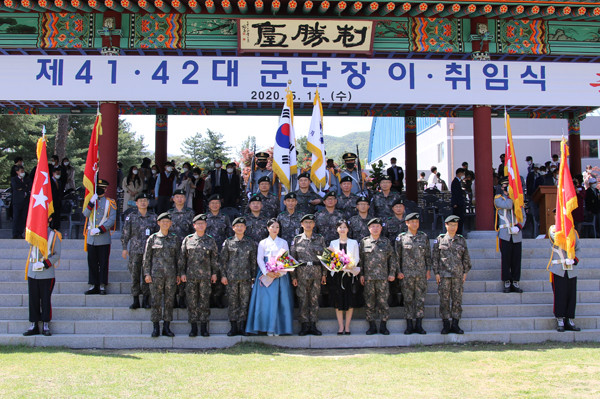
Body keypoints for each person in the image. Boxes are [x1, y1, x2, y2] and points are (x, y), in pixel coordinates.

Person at [246, 219, 294, 336]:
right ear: (268, 228)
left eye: (277, 227)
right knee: (266, 302)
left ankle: (278, 328)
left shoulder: (283, 242)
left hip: (280, 275)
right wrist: (267, 272)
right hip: (266, 273)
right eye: (272, 227)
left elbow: (286, 258)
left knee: (280, 301)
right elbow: (260, 259)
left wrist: (280, 271)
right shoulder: (262, 242)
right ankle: (265, 327)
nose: (275, 229)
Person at [179, 214, 218, 337]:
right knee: (192, 302)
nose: (200, 226)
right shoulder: (188, 239)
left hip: (206, 277)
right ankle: (194, 327)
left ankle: (204, 327)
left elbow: (214, 259)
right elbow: (182, 258)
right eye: (198, 224)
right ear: (194, 226)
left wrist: (214, 273)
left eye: (203, 223)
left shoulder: (210, 240)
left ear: (206, 225)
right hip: (191, 276)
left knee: (204, 302)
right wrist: (182, 273)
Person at [432, 215, 472, 335]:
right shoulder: (440, 240)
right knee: (444, 300)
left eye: (455, 225)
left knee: (457, 300)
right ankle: (445, 324)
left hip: (458, 275)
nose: (453, 227)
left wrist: (465, 272)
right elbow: (435, 258)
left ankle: (455, 324)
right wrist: (436, 273)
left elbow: (466, 257)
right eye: (451, 225)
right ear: (446, 225)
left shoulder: (461, 240)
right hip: (444, 275)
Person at [143, 212, 180, 338]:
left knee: (169, 301)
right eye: (163, 221)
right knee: (156, 301)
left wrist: (179, 274)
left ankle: (166, 327)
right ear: (158, 223)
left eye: (167, 222)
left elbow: (178, 258)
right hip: (155, 275)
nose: (165, 224)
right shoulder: (152, 238)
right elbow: (146, 258)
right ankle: (155, 327)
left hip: (171, 275)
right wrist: (147, 273)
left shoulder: (174, 238)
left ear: (170, 224)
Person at [290, 214, 327, 336]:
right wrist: (294, 277)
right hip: (302, 272)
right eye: (306, 222)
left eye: (310, 222)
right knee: (303, 298)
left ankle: (313, 325)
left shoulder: (320, 239)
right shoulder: (296, 239)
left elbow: (324, 258)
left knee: (314, 299)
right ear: (301, 224)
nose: (308, 224)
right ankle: (304, 325)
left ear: (314, 224)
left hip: (316, 271)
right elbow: (293, 259)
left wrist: (324, 274)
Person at [360, 218, 398, 335]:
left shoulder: (386, 242)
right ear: (369, 229)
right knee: (369, 302)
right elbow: (360, 260)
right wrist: (361, 274)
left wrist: (392, 273)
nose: (375, 229)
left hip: (383, 278)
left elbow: (392, 259)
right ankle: (371, 326)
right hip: (369, 278)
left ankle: (383, 326)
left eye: (377, 226)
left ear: (381, 228)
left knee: (383, 302)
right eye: (373, 226)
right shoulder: (364, 242)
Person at [396, 212, 432, 335]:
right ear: (407, 223)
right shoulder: (401, 237)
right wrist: (399, 271)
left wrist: (428, 270)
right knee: (408, 299)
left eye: (416, 222)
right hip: (406, 274)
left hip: (421, 274)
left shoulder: (424, 237)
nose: (414, 224)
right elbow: (397, 257)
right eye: (412, 222)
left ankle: (419, 325)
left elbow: (428, 255)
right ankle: (409, 325)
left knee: (420, 300)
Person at [221, 217, 257, 336]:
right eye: (237, 226)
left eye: (242, 226)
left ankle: (242, 327)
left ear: (245, 228)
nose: (240, 228)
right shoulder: (228, 242)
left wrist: (253, 277)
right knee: (233, 303)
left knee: (244, 302)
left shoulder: (250, 243)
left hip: (246, 278)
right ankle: (233, 327)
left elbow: (253, 261)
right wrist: (223, 276)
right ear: (233, 228)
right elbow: (223, 261)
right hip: (231, 278)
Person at [23, 223, 61, 337]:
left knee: (45, 299)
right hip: (33, 272)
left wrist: (44, 264)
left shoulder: (54, 235)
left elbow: (57, 255)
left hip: (46, 273)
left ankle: (45, 324)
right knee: (33, 299)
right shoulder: (32, 232)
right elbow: (29, 242)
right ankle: (34, 324)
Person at [121, 193, 157, 309]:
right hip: (135, 251)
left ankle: (146, 299)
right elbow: (126, 233)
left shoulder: (153, 217)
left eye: (145, 200)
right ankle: (135, 299)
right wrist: (124, 248)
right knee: (135, 275)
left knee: (147, 275)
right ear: (136, 203)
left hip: (149, 252)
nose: (143, 202)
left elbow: (157, 235)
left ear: (148, 203)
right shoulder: (131, 216)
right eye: (140, 201)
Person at [83, 179, 117, 295]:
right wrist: (91, 203)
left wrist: (101, 229)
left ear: (106, 189)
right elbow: (85, 215)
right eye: (99, 187)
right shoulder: (91, 200)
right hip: (92, 238)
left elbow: (112, 219)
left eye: (103, 187)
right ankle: (93, 285)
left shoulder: (110, 202)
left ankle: (102, 285)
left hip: (103, 237)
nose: (101, 189)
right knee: (92, 262)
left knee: (103, 262)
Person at [328, 220, 360, 335]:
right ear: (337, 229)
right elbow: (330, 259)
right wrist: (338, 266)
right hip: (337, 275)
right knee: (338, 301)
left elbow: (356, 258)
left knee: (349, 300)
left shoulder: (354, 242)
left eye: (344, 227)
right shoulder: (332, 243)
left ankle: (347, 327)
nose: (342, 229)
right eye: (340, 227)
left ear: (348, 229)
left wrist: (349, 265)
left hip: (349, 274)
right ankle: (340, 326)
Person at [494, 177, 526, 293]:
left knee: (516, 259)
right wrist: (513, 197)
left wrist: (519, 226)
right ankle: (507, 281)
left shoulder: (518, 200)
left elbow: (523, 215)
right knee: (506, 259)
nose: (506, 188)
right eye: (505, 186)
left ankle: (516, 281)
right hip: (505, 233)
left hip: (516, 233)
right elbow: (508, 205)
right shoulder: (498, 198)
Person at [548, 224, 581, 332]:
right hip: (559, 268)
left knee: (571, 295)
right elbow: (558, 239)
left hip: (571, 268)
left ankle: (569, 320)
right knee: (560, 294)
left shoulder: (573, 232)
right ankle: (560, 320)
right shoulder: (554, 229)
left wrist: (574, 259)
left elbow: (578, 248)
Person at [168, 189, 195, 309]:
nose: (179, 199)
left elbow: (193, 230)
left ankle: (182, 297)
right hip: (171, 248)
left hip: (186, 248)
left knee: (184, 272)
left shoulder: (190, 213)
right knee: (172, 273)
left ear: (185, 199)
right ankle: (172, 297)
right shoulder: (169, 213)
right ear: (173, 199)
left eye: (182, 197)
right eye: (177, 197)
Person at [10, 165, 31, 239]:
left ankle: (20, 233)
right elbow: (16, 187)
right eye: (21, 171)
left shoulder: (26, 179)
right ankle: (15, 233)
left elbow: (29, 186)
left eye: (23, 171)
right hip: (17, 201)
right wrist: (24, 186)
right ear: (17, 172)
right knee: (16, 217)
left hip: (25, 201)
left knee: (23, 217)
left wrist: (23, 187)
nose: (22, 172)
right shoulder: (14, 179)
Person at [451, 168, 466, 235]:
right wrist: (455, 203)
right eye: (462, 173)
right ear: (459, 173)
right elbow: (455, 193)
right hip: (457, 204)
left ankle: (459, 233)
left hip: (460, 203)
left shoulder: (459, 182)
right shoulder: (455, 182)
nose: (463, 175)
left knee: (461, 219)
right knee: (457, 219)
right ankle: (457, 233)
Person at [49, 166, 64, 231]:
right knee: (51, 217)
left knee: (57, 217)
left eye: (59, 174)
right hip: (51, 202)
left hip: (58, 202)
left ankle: (56, 229)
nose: (58, 175)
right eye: (57, 173)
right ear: (53, 173)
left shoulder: (59, 182)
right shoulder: (49, 181)